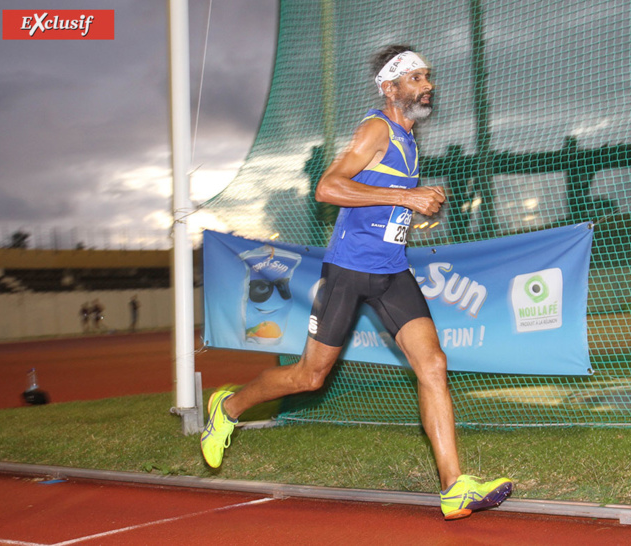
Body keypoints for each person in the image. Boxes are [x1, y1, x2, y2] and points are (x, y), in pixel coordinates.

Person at [200, 45, 512, 520]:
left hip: (392, 272)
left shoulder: (408, 138)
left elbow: (388, 206)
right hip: (348, 272)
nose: (427, 86)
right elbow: (328, 187)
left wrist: (409, 202)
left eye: (427, 77)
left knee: (433, 364)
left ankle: (454, 487)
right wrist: (406, 196)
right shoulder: (376, 129)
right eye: (415, 79)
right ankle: (229, 407)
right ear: (390, 89)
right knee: (309, 377)